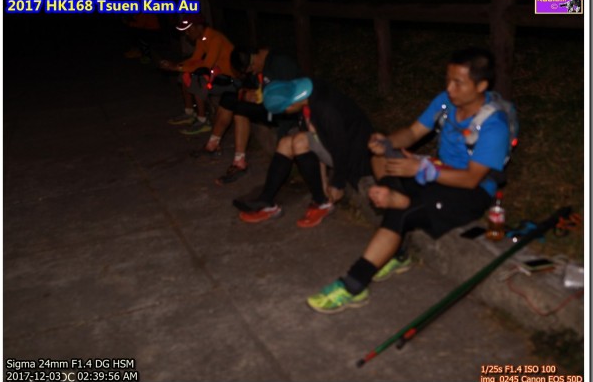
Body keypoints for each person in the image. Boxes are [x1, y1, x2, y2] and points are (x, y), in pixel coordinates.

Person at [306, 47, 511, 313]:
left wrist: (421, 170)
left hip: (470, 191)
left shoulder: (494, 126)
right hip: (435, 171)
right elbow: (413, 133)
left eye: (458, 83)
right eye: (448, 80)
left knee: (402, 212)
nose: (449, 88)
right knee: (379, 158)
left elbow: (471, 179)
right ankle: (395, 211)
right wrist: (387, 142)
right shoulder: (445, 102)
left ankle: (354, 284)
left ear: (481, 85)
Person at [233, 77, 374, 228]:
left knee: (300, 142)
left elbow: (340, 147)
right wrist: (323, 181)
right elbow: (319, 139)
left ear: (292, 104)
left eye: (284, 111)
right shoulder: (308, 95)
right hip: (336, 144)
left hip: (356, 155)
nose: (285, 114)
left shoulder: (325, 109)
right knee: (285, 142)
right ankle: (266, 201)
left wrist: (338, 184)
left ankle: (321, 203)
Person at [194, 46, 303, 185]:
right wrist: (247, 94)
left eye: (251, 68)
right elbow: (247, 87)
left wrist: (261, 98)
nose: (253, 71)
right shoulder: (259, 64)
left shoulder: (280, 63)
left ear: (254, 59)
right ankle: (213, 145)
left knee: (241, 109)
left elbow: (287, 96)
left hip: (283, 112)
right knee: (227, 98)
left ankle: (239, 163)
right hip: (266, 104)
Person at [159, 14, 236, 135]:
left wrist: (177, 67)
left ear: (199, 27)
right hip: (218, 73)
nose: (187, 33)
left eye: (189, 29)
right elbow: (195, 58)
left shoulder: (215, 39)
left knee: (198, 78)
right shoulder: (202, 38)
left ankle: (203, 120)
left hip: (230, 78)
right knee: (185, 75)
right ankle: (189, 112)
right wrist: (175, 65)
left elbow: (206, 66)